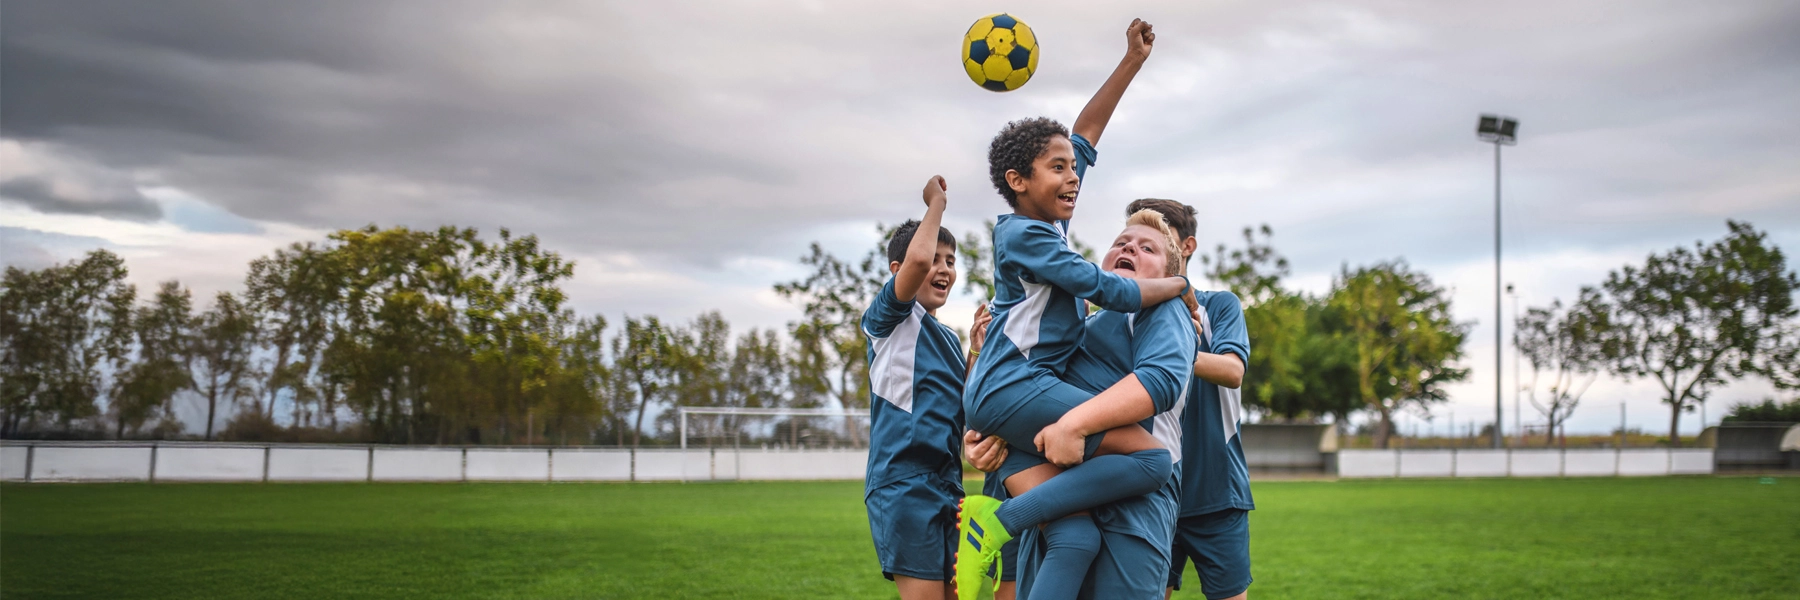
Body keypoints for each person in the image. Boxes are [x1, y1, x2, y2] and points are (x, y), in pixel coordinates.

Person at [956, 19, 1180, 600]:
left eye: (1072, 169)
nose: (1073, 176)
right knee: (1153, 460)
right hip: (1013, 388)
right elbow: (1113, 291)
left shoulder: (1049, 224)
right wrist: (1178, 287)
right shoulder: (1025, 237)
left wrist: (1131, 61)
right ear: (1017, 181)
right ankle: (997, 522)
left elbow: (1085, 131)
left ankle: (998, 518)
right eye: (1058, 169)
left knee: (1073, 537)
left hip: (1008, 393)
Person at [998, 209, 1197, 599]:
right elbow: (1030, 394)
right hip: (1057, 501)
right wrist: (992, 436)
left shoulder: (1162, 309)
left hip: (1131, 506)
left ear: (1168, 277)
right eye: (1121, 243)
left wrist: (1073, 425)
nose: (1129, 249)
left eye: (1146, 248)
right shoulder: (1077, 323)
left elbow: (1160, 381)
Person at [1126, 199, 1253, 600]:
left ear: (1187, 247)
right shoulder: (1121, 317)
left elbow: (1233, 371)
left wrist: (1173, 350)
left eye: (1156, 240)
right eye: (1132, 238)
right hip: (1150, 488)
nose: (1139, 247)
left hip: (1216, 490)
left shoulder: (1220, 304)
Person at [862, 175, 977, 600]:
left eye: (951, 260)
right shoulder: (888, 322)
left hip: (949, 484)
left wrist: (977, 354)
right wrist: (937, 203)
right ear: (899, 270)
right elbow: (915, 262)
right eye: (936, 258)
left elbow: (967, 405)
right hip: (904, 484)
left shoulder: (948, 337)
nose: (943, 267)